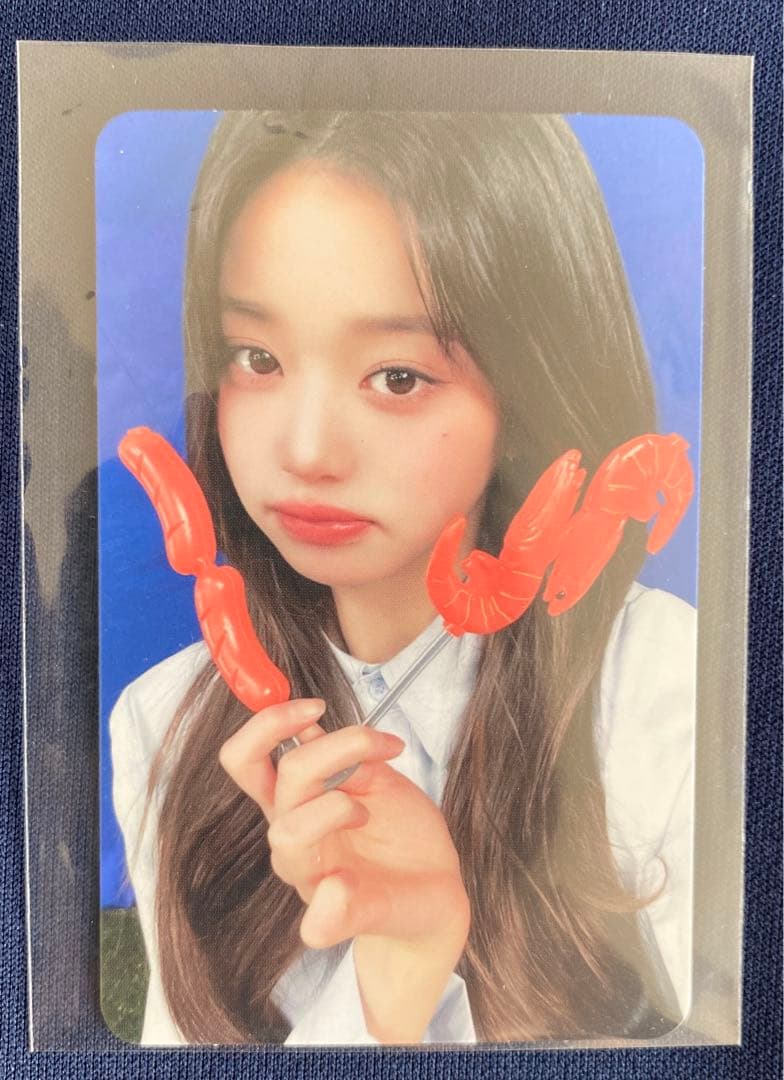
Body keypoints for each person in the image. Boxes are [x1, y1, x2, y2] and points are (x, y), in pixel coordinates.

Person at [109, 110, 696, 1046]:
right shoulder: (169, 724)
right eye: (258, 359)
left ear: (530, 387)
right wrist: (391, 981)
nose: (306, 452)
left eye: (396, 377)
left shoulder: (672, 691)